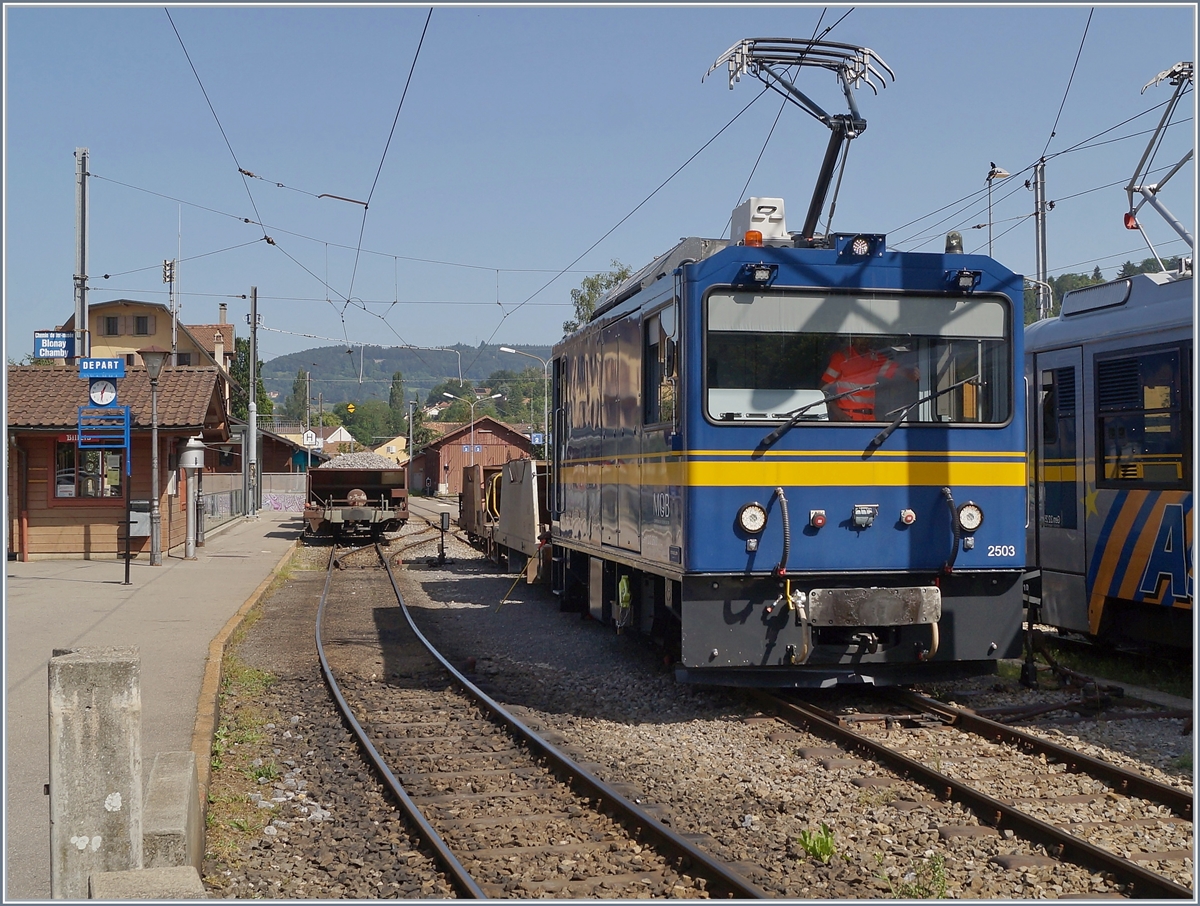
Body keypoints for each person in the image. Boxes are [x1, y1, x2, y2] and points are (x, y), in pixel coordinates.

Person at [821, 338, 917, 421]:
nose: (864, 341)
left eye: (866, 338)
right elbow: (823, 390)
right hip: (847, 419)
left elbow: (896, 370)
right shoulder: (841, 358)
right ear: (853, 338)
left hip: (870, 419)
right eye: (860, 337)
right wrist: (840, 415)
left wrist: (911, 372)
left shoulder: (874, 357)